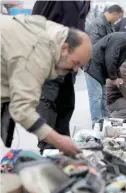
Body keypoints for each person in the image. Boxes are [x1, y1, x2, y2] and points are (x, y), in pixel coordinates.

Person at [1, 15, 92, 155]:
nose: (75, 70)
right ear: (65, 48)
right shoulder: (36, 53)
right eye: (75, 63)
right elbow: (22, 110)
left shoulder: (57, 35)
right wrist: (58, 141)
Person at [32, 0, 91, 152]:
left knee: (66, 103)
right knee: (47, 100)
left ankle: (63, 143)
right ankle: (47, 145)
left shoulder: (85, 2)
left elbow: (79, 27)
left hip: (69, 59)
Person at [84, 32, 126, 126]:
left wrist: (118, 76)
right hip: (93, 67)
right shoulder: (122, 39)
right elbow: (111, 59)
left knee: (102, 97)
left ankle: (105, 122)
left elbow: (117, 63)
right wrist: (114, 78)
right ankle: (96, 124)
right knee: (96, 98)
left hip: (99, 69)